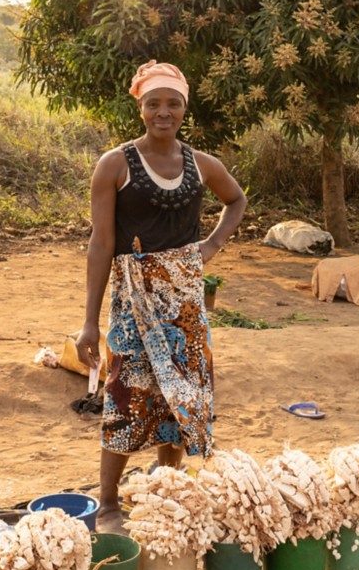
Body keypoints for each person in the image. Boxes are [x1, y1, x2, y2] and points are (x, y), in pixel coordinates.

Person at [75, 60, 247, 533]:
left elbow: (236, 200)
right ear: (141, 108)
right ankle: (108, 504)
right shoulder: (115, 165)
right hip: (133, 301)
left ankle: (168, 488)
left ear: (185, 109)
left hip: (185, 303)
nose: (163, 112)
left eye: (173, 103)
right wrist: (89, 323)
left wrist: (211, 245)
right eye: (154, 103)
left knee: (181, 398)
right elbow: (101, 244)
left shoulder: (201, 165)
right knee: (126, 396)